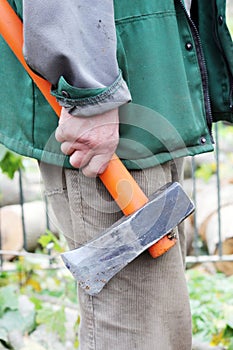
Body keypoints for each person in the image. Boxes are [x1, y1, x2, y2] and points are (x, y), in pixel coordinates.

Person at [0, 0, 233, 349]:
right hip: (108, 119)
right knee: (139, 329)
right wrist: (89, 93)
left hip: (145, 86)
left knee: (161, 318)